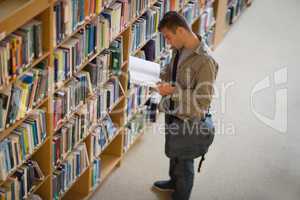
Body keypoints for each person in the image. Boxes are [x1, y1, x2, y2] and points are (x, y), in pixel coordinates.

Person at [153, 11, 219, 200]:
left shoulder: (206, 62)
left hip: (188, 119)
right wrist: (157, 75)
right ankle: (173, 182)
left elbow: (203, 102)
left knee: (184, 161)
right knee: (174, 152)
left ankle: (181, 195)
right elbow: (173, 70)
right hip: (174, 110)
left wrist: (174, 91)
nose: (167, 42)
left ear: (181, 30)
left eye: (168, 37)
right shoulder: (180, 47)